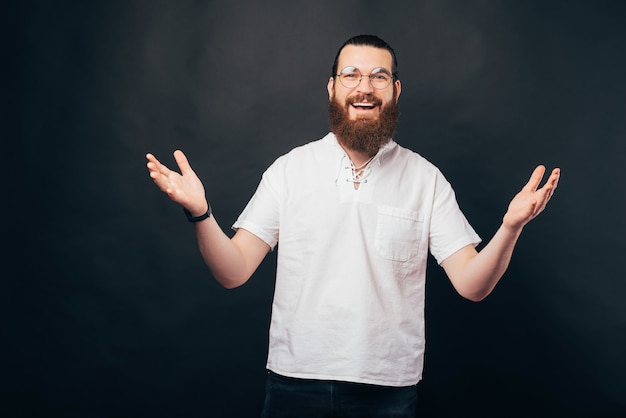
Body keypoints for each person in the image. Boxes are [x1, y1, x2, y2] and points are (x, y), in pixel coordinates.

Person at [146, 34, 560, 417]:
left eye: (379, 77)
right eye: (352, 75)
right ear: (332, 88)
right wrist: (201, 213)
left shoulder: (425, 179)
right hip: (295, 383)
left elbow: (472, 284)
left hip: (389, 391)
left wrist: (510, 227)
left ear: (395, 91)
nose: (365, 87)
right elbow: (233, 272)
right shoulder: (290, 170)